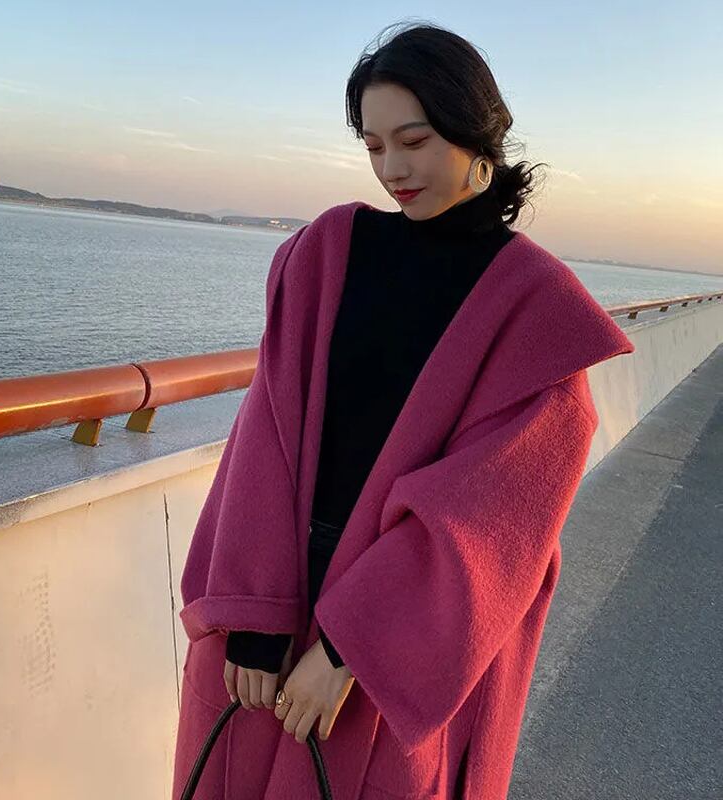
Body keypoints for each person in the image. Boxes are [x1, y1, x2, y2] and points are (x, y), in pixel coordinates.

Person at [172, 21, 635, 800]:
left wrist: (350, 649)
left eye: (414, 141)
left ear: (474, 132)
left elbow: (494, 517)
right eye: (374, 145)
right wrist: (254, 612)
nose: (392, 168)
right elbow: (266, 431)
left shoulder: (536, 306)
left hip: (401, 646)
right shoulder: (328, 249)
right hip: (274, 605)